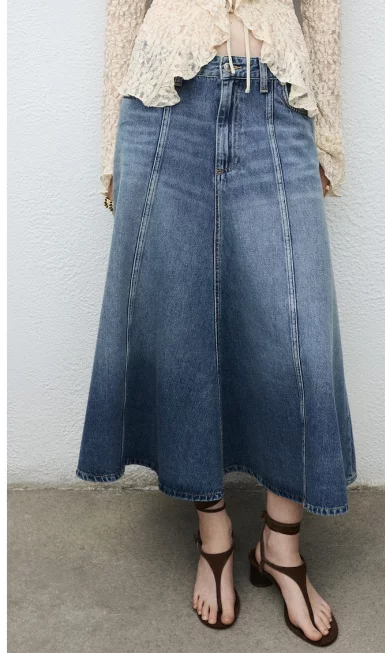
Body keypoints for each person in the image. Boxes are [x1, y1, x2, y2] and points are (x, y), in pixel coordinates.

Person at [76, 0, 356, 645]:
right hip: (162, 106)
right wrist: (111, 152)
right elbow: (124, 12)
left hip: (277, 103)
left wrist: (328, 139)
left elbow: (323, 11)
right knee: (182, 328)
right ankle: (215, 532)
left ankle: (281, 546)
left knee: (300, 340)